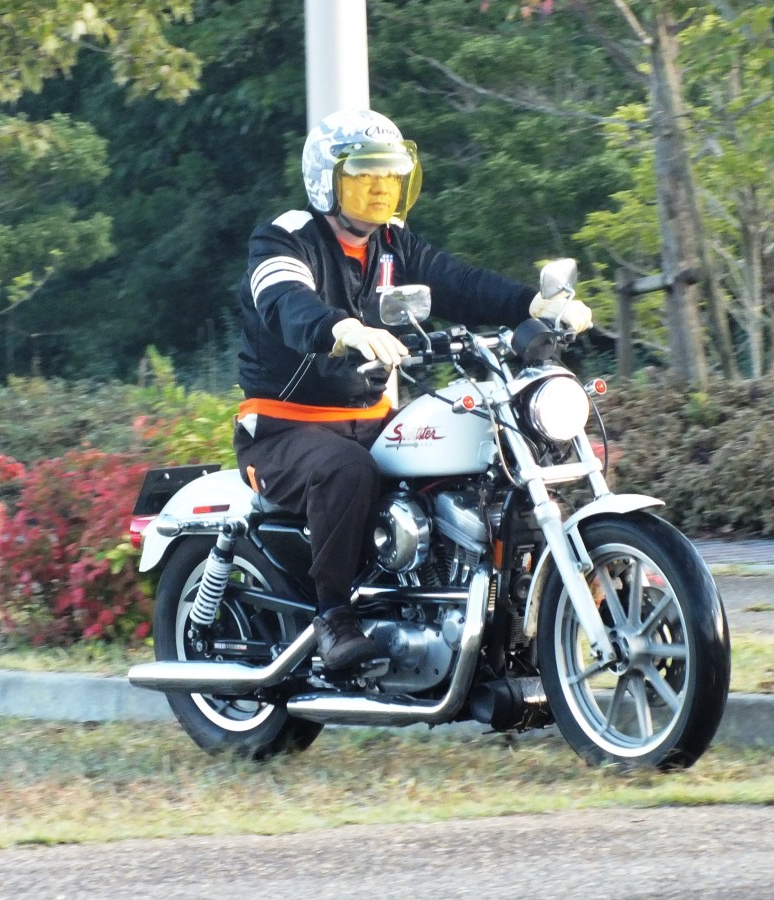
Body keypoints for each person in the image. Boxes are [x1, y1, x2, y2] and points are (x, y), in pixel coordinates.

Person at [234, 109, 592, 671]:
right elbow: (284, 298)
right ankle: (333, 616)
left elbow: (459, 283)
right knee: (346, 470)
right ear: (326, 180)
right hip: (283, 429)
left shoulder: (393, 245)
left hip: (372, 421)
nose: (380, 187)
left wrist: (534, 304)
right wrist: (340, 328)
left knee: (480, 455)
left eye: (390, 175)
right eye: (364, 175)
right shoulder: (285, 237)